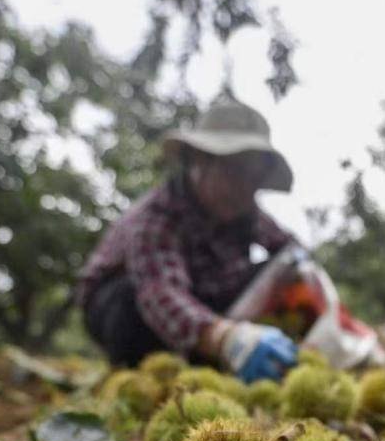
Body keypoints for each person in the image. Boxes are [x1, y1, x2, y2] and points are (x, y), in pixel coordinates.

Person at [78, 95, 300, 382]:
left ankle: (248, 358)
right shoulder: (156, 216)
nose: (244, 188)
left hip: (204, 302)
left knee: (282, 269)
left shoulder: (249, 214)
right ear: (199, 161)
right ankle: (149, 368)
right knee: (128, 302)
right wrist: (227, 338)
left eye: (254, 178)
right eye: (234, 172)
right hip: (129, 309)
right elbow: (160, 292)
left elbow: (292, 252)